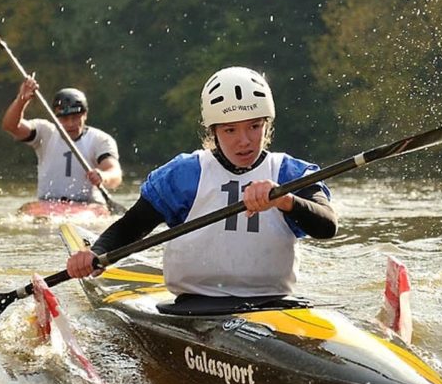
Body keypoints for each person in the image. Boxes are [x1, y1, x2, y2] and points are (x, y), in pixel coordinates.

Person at [66, 66, 337, 299]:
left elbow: (327, 226)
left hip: (274, 305)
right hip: (195, 306)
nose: (244, 140)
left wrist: (284, 200)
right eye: (230, 129)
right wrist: (97, 253)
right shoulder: (186, 173)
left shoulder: (289, 172)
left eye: (254, 126)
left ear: (267, 125)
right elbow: (132, 226)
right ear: (214, 131)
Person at [3, 75, 122, 202]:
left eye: (75, 117)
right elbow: (11, 126)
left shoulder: (100, 140)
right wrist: (22, 100)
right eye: (64, 118)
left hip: (87, 204)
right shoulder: (44, 132)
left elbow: (115, 174)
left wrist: (103, 176)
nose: (70, 124)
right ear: (56, 117)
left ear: (85, 115)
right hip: (49, 203)